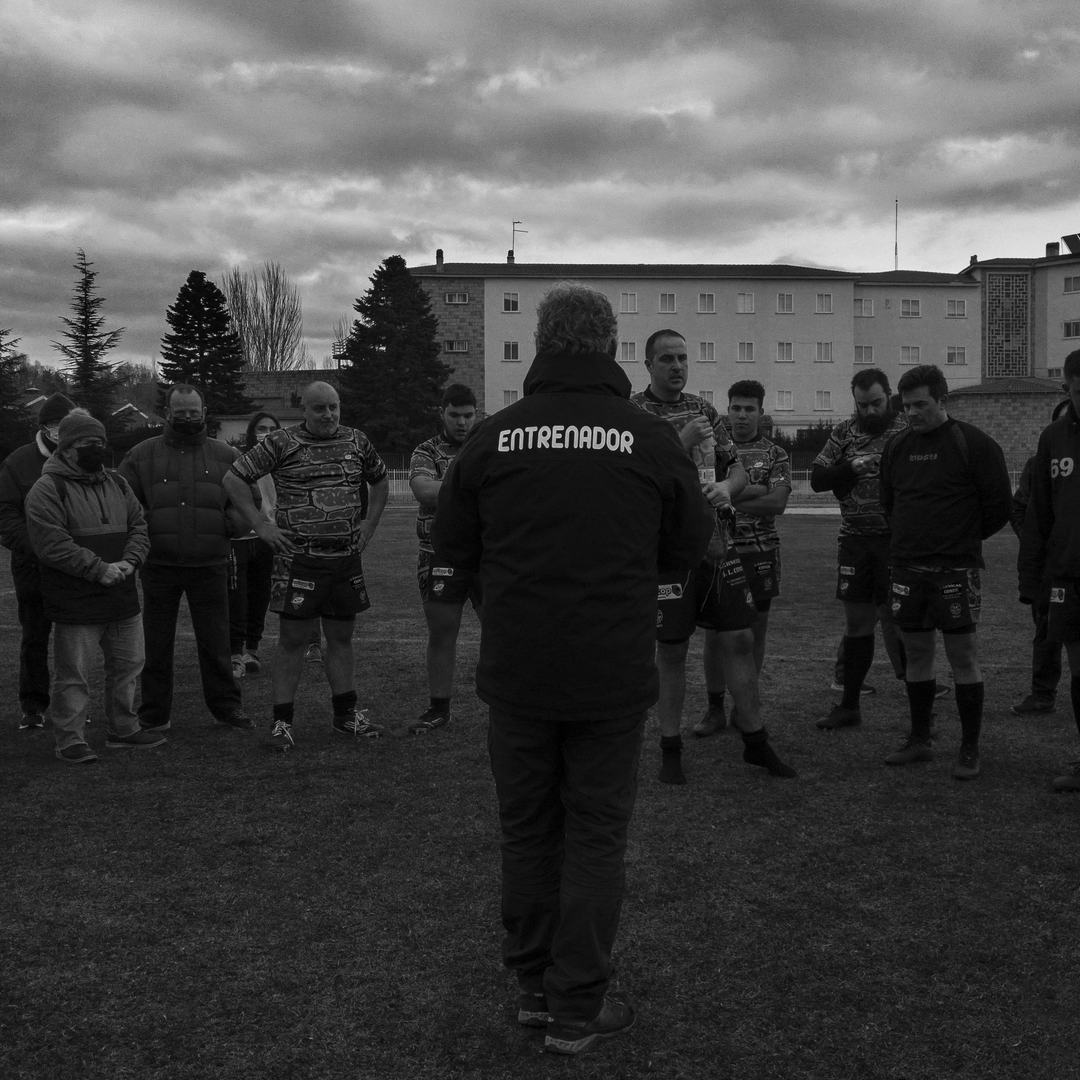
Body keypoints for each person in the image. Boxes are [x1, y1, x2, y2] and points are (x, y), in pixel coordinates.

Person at [431, 282, 712, 1056]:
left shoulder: (493, 438)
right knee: (593, 835)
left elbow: (451, 546)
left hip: (520, 669)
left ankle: (534, 987)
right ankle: (575, 1005)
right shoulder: (647, 437)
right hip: (611, 671)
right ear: (611, 346)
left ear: (547, 343)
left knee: (528, 831)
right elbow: (688, 547)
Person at [630, 330, 796, 784]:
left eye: (683, 358)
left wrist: (728, 488)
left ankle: (755, 742)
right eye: (667, 359)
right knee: (672, 650)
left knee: (739, 639)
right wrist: (679, 441)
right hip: (667, 554)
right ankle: (670, 749)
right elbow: (631, 480)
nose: (677, 366)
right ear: (648, 365)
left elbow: (736, 467)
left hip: (718, 546)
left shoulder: (704, 409)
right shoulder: (633, 413)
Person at [224, 382, 389, 751]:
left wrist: (369, 524)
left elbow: (379, 483)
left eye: (333, 407)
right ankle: (282, 722)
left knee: (341, 637)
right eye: (319, 408)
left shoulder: (356, 441)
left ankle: (346, 715)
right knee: (292, 641)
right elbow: (233, 478)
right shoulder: (281, 443)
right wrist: (260, 524)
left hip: (345, 557)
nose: (328, 415)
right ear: (304, 410)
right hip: (298, 558)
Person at [879, 365, 1011, 780]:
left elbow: (998, 507)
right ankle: (919, 739)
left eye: (921, 404)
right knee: (916, 655)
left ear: (943, 401)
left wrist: (957, 541)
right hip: (907, 569)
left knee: (962, 658)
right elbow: (890, 503)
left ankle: (969, 747)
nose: (912, 413)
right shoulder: (897, 446)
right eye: (907, 406)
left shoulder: (973, 443)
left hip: (956, 569)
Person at [25, 410, 164, 762]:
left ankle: (124, 729)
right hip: (76, 602)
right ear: (67, 447)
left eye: (100, 443)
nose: (97, 449)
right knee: (73, 676)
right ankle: (70, 739)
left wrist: (131, 562)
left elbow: (138, 526)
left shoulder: (118, 483)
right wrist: (97, 569)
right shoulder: (46, 489)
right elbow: (51, 544)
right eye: (88, 443)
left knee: (129, 667)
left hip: (121, 597)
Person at [118, 384, 251, 732]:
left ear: (204, 413)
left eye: (194, 412)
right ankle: (154, 713)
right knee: (156, 644)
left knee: (217, 642)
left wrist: (227, 525)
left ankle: (227, 707)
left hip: (210, 564)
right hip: (159, 566)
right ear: (167, 413)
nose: (188, 418)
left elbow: (247, 501)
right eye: (181, 412)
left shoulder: (227, 456)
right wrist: (149, 529)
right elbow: (124, 504)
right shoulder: (140, 455)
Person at [811, 369, 909, 729]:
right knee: (858, 624)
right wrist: (849, 467)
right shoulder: (843, 433)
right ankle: (849, 705)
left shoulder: (906, 431)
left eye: (876, 403)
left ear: (890, 397)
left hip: (898, 543)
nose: (869, 411)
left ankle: (919, 710)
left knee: (905, 623)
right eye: (862, 404)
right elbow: (819, 479)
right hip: (855, 541)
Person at [707, 379, 790, 703]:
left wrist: (726, 495)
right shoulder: (713, 453)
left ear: (760, 411)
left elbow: (778, 504)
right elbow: (700, 496)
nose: (742, 415)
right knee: (714, 636)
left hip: (761, 553)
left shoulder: (775, 453)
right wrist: (754, 489)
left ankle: (745, 706)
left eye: (749, 409)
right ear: (727, 412)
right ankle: (714, 708)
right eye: (736, 408)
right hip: (718, 554)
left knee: (756, 631)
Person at [1018, 358, 1080, 790]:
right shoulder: (1054, 438)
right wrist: (1036, 580)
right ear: (1067, 388)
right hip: (1070, 576)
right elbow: (1038, 514)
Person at [408, 383, 481, 733]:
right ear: (442, 413)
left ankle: (507, 702)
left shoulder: (488, 446)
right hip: (438, 555)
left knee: (501, 631)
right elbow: (423, 489)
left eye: (468, 415)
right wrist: (474, 491)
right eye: (454, 415)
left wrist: (450, 490)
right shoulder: (426, 451)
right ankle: (439, 708)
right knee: (442, 631)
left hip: (486, 555)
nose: (462, 423)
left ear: (476, 414)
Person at [0, 392, 75, 729]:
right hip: (33, 566)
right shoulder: (18, 462)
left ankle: (72, 704)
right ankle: (33, 706)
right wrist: (39, 545)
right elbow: (4, 513)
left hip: (75, 565)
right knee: (35, 637)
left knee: (75, 639)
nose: (62, 431)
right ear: (44, 427)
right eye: (57, 425)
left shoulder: (81, 458)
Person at [1011, 398, 1070, 716]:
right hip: (1049, 566)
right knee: (1046, 630)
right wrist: (1036, 541)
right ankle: (1043, 693)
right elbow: (1020, 508)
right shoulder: (1038, 465)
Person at [227, 410, 280, 677]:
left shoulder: (282, 461)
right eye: (261, 428)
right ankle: (235, 652)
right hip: (240, 537)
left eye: (272, 428)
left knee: (261, 596)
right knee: (238, 596)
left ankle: (252, 647)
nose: (266, 433)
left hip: (268, 537)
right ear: (251, 431)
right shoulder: (240, 459)